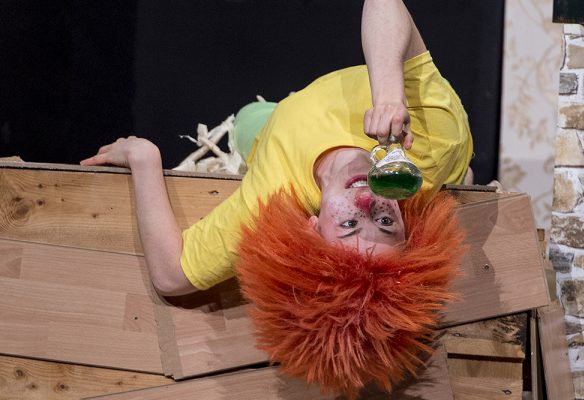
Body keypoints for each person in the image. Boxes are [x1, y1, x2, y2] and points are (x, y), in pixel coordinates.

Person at [81, 0, 471, 397]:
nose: (369, 202)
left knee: (249, 121)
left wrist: (144, 158)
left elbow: (170, 275)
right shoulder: (433, 136)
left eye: (350, 225)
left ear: (312, 228)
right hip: (357, 109)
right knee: (460, 168)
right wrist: (389, 95)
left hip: (274, 126)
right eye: (386, 222)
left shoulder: (272, 199)